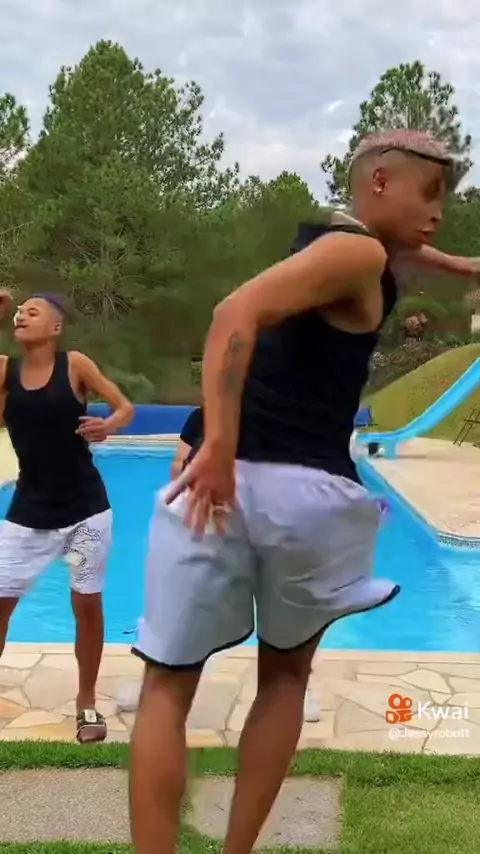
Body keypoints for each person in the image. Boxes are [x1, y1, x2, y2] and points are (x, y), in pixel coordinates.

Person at [129, 130, 480, 854]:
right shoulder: (359, 255)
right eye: (429, 193)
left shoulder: (336, 246)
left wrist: (213, 444)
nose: (440, 212)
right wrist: (221, 444)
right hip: (302, 491)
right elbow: (231, 315)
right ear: (379, 181)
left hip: (213, 491)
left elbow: (427, 259)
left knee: (166, 686)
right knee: (285, 678)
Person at [0, 291, 134, 743]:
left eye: (32, 311)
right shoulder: (5, 371)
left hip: (84, 513)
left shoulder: (75, 364)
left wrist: (107, 426)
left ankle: (87, 702)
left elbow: (124, 407)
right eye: (19, 312)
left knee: (86, 604)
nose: (22, 315)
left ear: (55, 327)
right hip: (28, 514)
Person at [171, 405, 322, 722]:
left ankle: (298, 686)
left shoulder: (282, 416)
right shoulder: (202, 417)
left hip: (272, 523)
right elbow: (178, 464)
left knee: (284, 609)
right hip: (213, 521)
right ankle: (161, 679)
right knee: (184, 603)